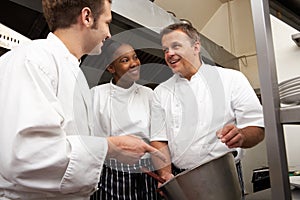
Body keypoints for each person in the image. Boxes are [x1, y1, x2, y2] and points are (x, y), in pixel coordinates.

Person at [0, 1, 165, 199]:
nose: (109, 34)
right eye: (107, 22)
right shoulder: (34, 59)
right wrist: (111, 147)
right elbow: (27, 157)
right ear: (87, 17)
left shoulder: (73, 73)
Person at [150, 23, 265, 197]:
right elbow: (159, 140)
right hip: (182, 178)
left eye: (176, 46)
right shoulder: (160, 92)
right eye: (165, 49)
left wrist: (241, 136)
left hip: (226, 176)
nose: (169, 54)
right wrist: (165, 174)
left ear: (196, 46)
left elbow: (257, 128)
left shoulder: (231, 79)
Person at [90, 40, 159, 200]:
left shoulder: (149, 94)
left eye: (135, 57)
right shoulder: (96, 95)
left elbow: (157, 136)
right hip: (109, 173)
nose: (134, 63)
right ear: (111, 67)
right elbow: (90, 138)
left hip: (145, 171)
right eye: (125, 60)